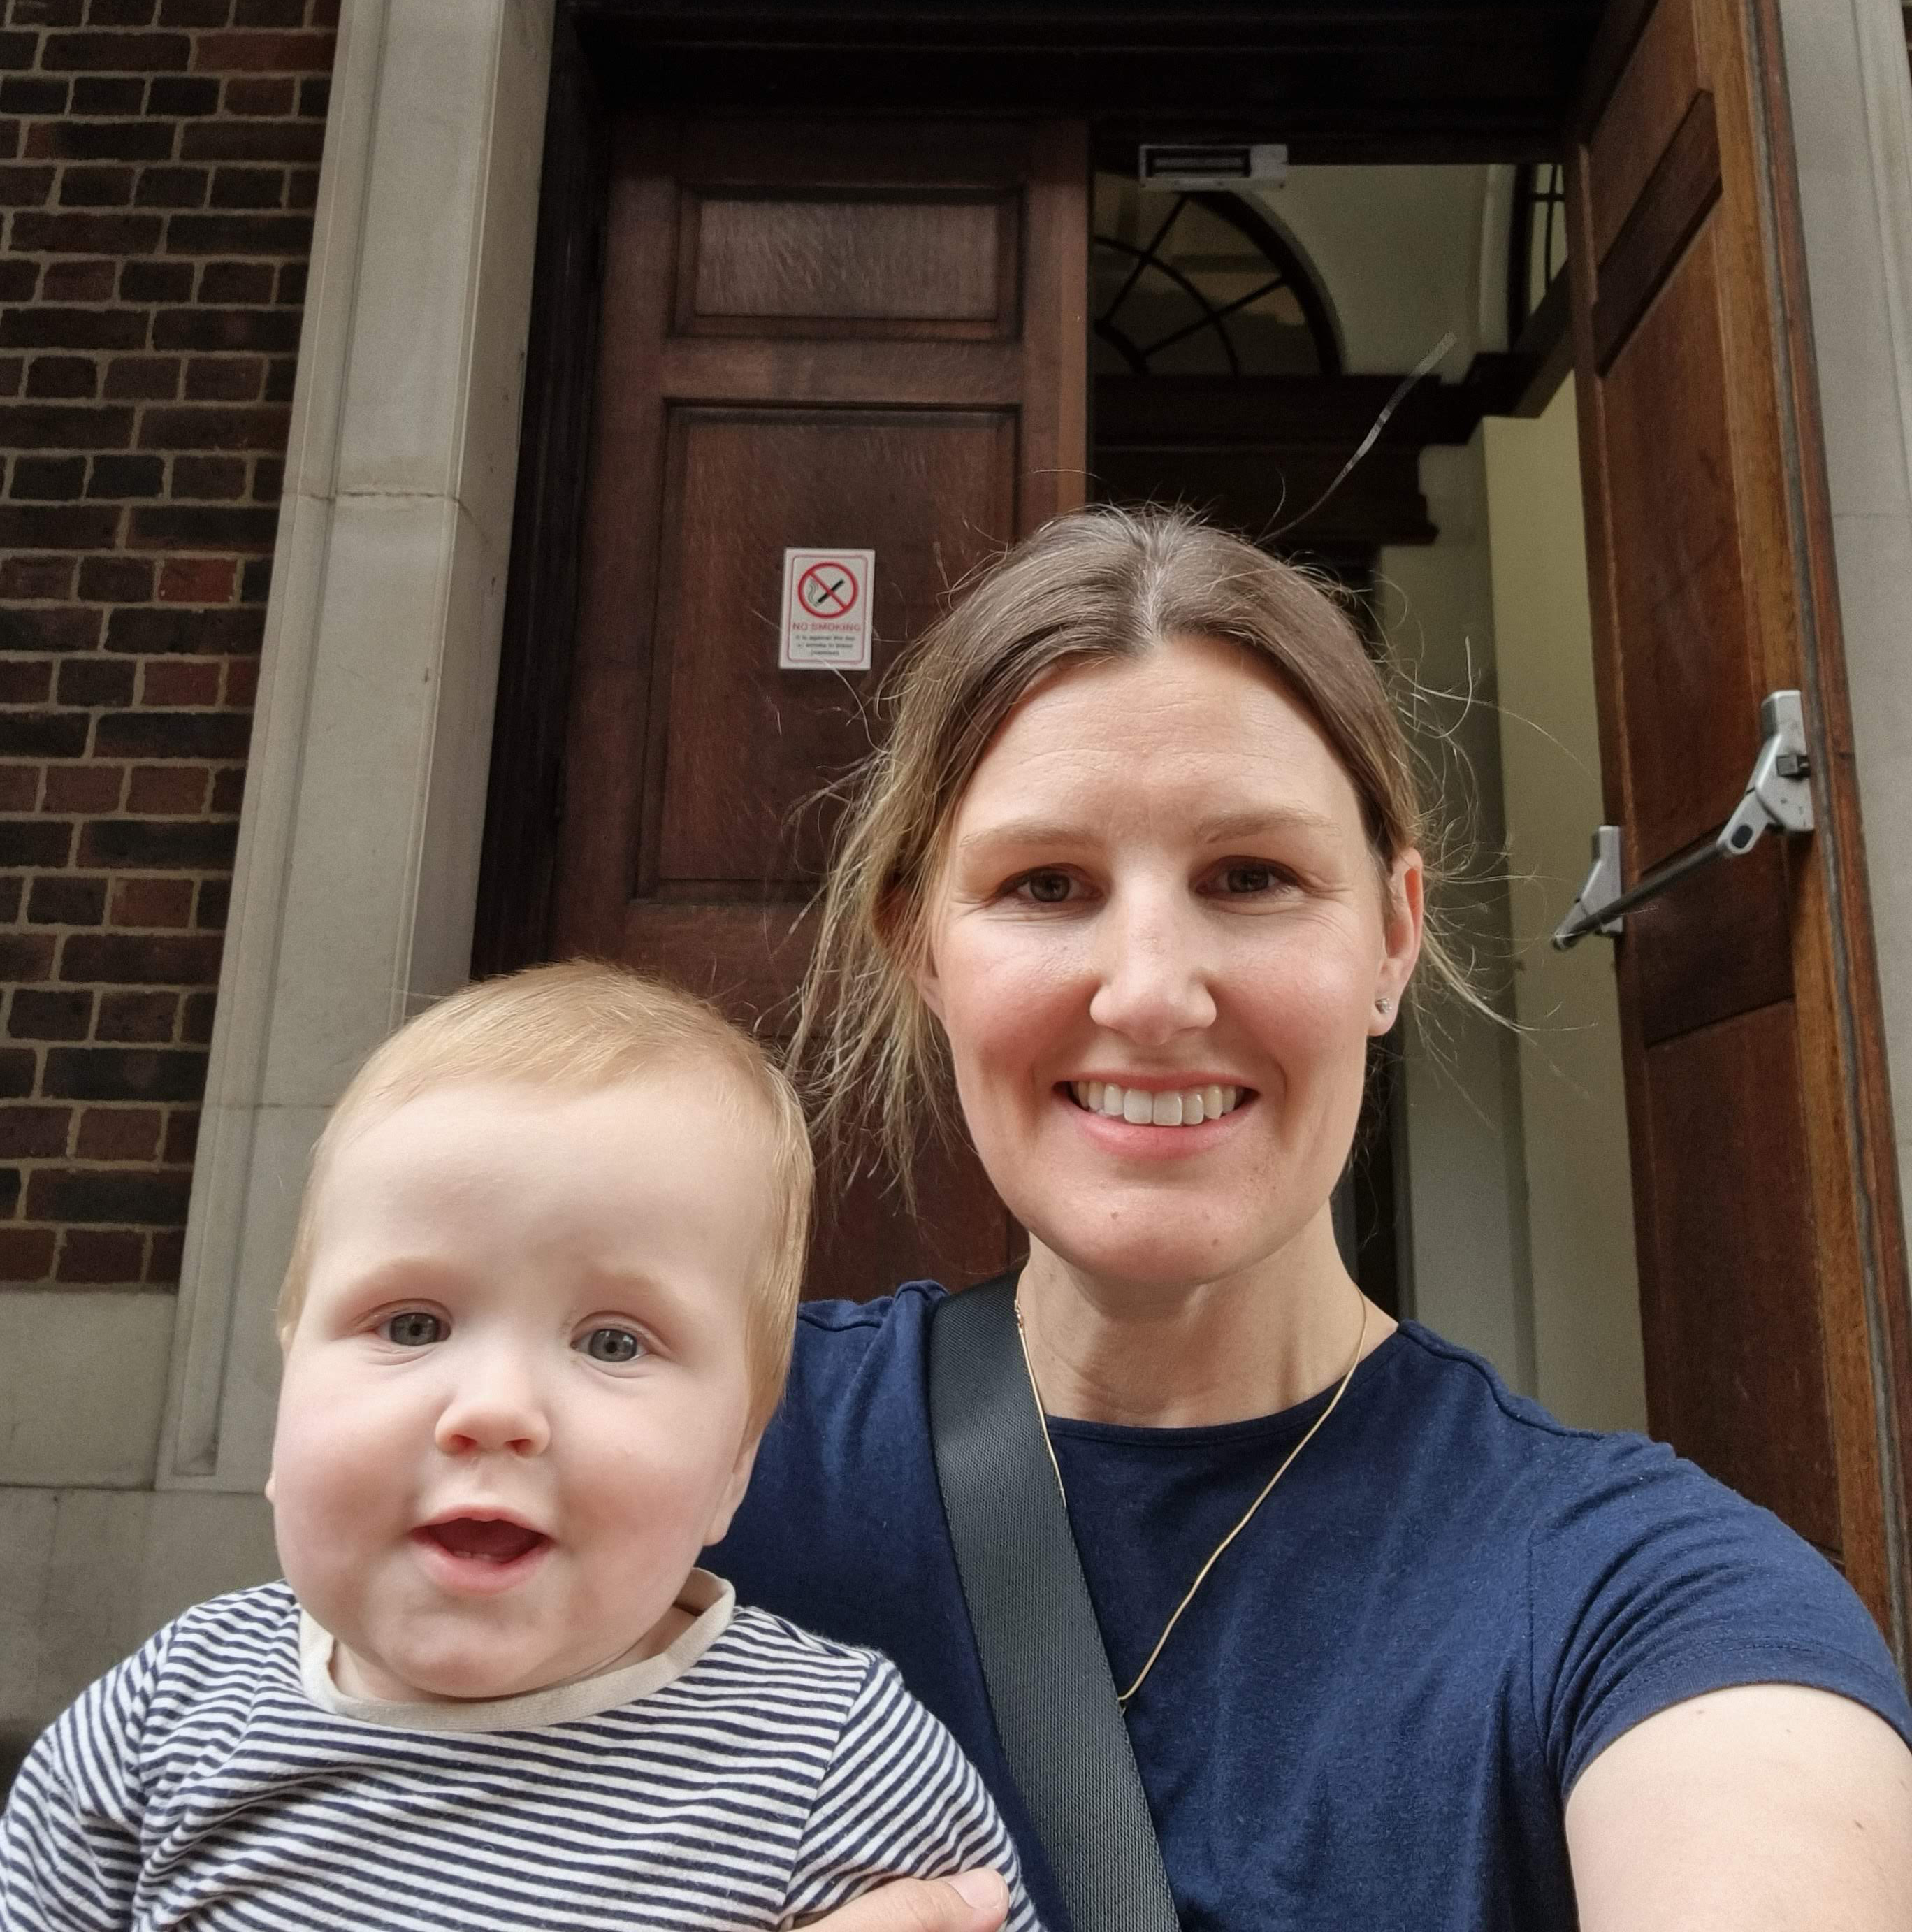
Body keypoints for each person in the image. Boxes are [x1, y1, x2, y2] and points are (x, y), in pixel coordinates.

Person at [708, 504, 1912, 1932]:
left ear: (1393, 935)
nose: (1152, 993)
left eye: (1251, 879)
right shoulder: (681, 1460)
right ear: (922, 945)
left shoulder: (1640, 1594)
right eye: (1046, 886)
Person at [0, 963, 1041, 1932]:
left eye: (612, 1342)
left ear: (737, 1463)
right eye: (413, 1326)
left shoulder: (832, 1760)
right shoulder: (164, 1717)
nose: (494, 1410)